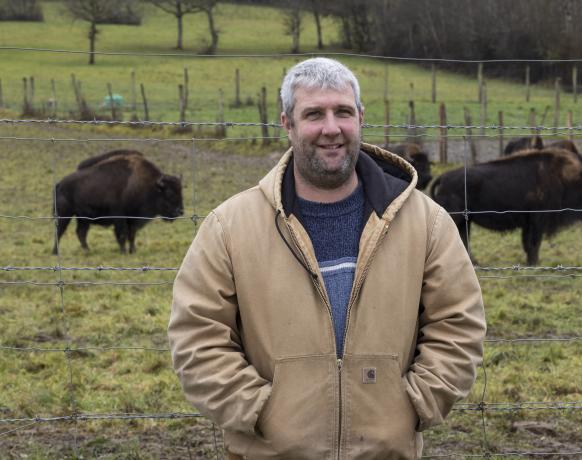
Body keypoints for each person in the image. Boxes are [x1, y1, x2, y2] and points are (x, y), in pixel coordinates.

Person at [168, 57, 486, 459]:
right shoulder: (229, 227)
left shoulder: (426, 223)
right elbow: (196, 337)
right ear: (287, 123)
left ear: (361, 117)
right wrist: (262, 411)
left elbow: (459, 324)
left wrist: (411, 404)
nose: (331, 128)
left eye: (343, 112)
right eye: (314, 114)